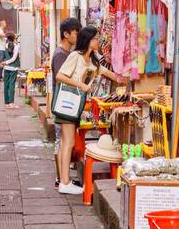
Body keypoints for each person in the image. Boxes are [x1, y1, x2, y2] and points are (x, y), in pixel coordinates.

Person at [53, 25, 126, 195]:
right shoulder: (75, 56)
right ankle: (64, 182)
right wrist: (82, 85)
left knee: (67, 143)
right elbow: (60, 76)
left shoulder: (93, 61)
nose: (98, 41)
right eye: (95, 38)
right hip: (67, 104)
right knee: (68, 143)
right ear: (88, 40)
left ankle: (66, 181)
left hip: (75, 106)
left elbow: (110, 74)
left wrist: (127, 77)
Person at [50, 17, 80, 186]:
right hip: (64, 105)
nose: (77, 35)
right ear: (66, 34)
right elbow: (60, 78)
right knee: (62, 141)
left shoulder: (66, 53)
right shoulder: (62, 54)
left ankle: (62, 178)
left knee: (63, 141)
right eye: (76, 32)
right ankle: (61, 178)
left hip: (64, 104)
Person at [1, 35, 21, 108]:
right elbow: (13, 59)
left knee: (6, 85)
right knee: (12, 85)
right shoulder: (16, 47)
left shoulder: (5, 45)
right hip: (13, 68)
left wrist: (4, 63)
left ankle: (6, 102)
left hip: (6, 68)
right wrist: (6, 62)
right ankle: (11, 103)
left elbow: (4, 56)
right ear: (14, 39)